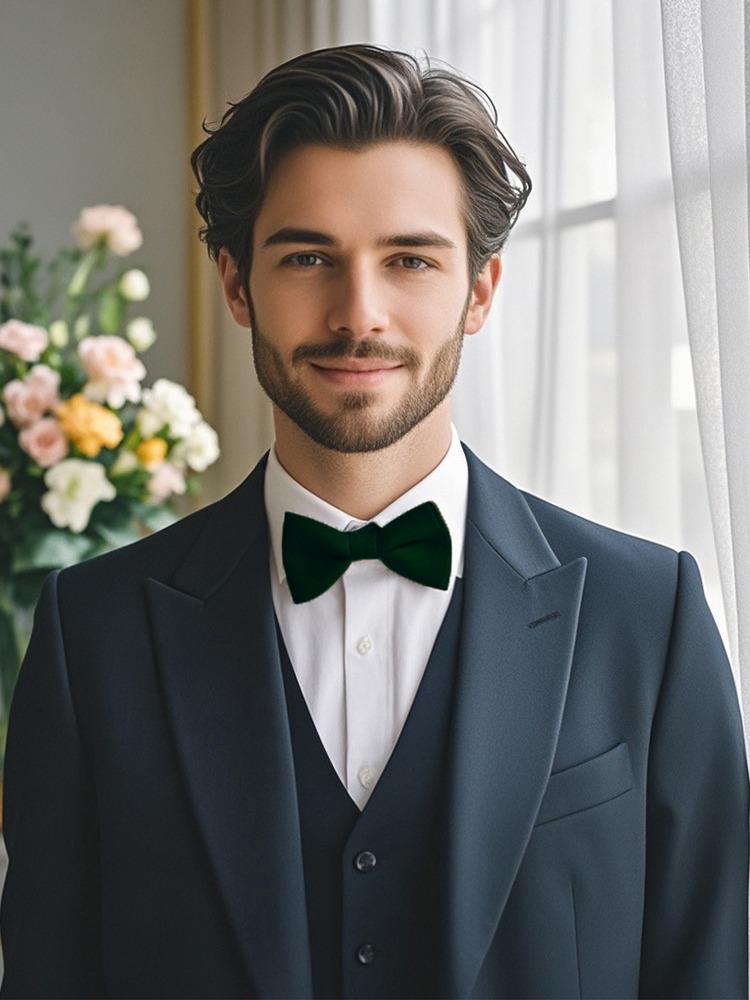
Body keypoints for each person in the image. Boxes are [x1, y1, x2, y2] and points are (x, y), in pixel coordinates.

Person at [1, 43, 747, 1000]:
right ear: (237, 285)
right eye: (308, 256)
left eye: (409, 260)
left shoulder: (652, 618)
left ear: (479, 291)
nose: (360, 314)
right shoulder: (91, 633)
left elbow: (712, 971)